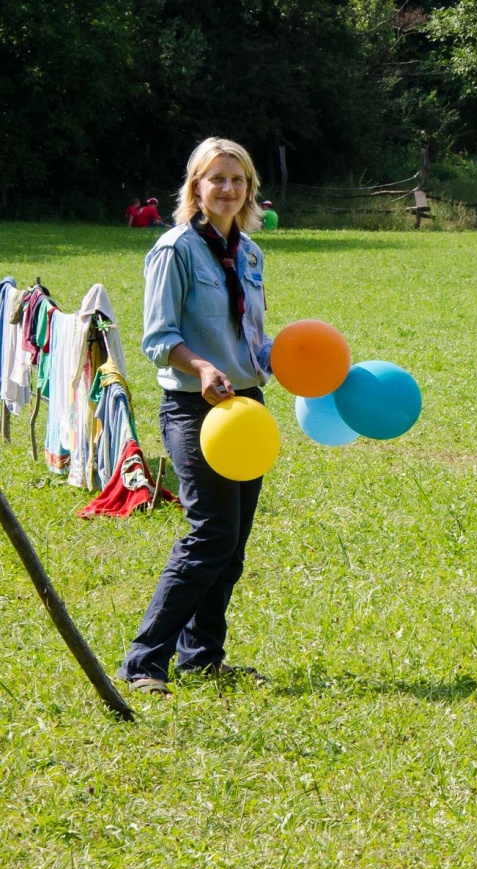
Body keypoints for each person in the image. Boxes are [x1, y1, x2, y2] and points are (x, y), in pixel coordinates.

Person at [118, 137, 276, 695]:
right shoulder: (174, 249)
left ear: (249, 189)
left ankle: (203, 656)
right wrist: (204, 367)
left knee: (232, 544)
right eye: (217, 179)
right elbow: (158, 338)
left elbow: (249, 335)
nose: (228, 189)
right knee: (209, 533)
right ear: (196, 188)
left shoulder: (251, 254)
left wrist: (281, 354)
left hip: (247, 409)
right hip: (194, 406)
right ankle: (143, 661)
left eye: (238, 180)